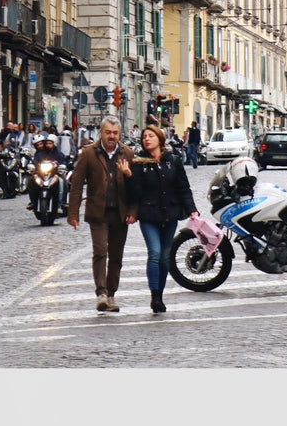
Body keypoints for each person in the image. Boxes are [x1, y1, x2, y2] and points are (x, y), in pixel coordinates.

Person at [67, 116, 138, 312]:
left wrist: (133, 211)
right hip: (98, 212)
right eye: (108, 132)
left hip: (120, 213)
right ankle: (102, 293)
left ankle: (112, 294)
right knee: (100, 251)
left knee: (116, 255)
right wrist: (73, 213)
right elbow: (77, 185)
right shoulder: (88, 153)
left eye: (115, 133)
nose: (112, 136)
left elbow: (135, 188)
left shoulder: (128, 154)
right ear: (101, 132)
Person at [124, 125, 197, 313]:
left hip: (170, 214)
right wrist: (129, 176)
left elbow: (183, 187)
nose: (147, 139)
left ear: (160, 139)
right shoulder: (138, 163)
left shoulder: (173, 160)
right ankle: (155, 296)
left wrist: (192, 210)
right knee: (155, 253)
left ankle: (160, 294)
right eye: (144, 136)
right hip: (149, 215)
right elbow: (134, 194)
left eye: (151, 136)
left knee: (165, 258)